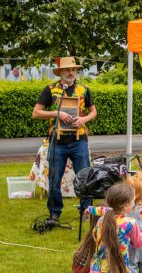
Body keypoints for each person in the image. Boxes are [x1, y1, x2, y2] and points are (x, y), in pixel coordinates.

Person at [31, 56, 97, 222]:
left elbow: (93, 112)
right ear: (60, 72)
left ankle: (86, 211)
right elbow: (36, 112)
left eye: (74, 69)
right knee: (54, 179)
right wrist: (56, 113)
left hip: (79, 140)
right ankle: (54, 213)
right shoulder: (50, 90)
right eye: (68, 69)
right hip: (57, 141)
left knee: (84, 177)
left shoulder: (84, 89)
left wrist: (83, 119)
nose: (71, 72)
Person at [79, 183, 142, 273]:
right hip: (119, 268)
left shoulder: (101, 220)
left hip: (97, 268)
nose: (135, 202)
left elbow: (103, 212)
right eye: (133, 200)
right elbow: (138, 242)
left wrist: (90, 209)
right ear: (125, 206)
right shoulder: (129, 223)